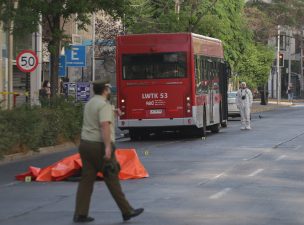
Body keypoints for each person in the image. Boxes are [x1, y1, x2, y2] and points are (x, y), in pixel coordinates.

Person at [73, 80, 144, 223]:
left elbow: (97, 114)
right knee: (112, 177)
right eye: (108, 88)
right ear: (105, 89)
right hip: (99, 146)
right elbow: (104, 125)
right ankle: (126, 210)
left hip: (86, 145)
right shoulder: (104, 105)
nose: (110, 90)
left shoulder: (91, 103)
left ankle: (80, 213)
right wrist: (107, 147)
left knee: (86, 180)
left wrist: (113, 111)